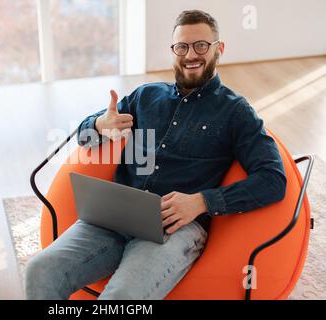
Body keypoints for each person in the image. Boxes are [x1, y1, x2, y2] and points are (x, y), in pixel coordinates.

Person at [25, 9, 286, 300]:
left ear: (219, 49)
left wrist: (201, 202)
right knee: (39, 269)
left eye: (201, 45)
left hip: (176, 228)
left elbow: (273, 180)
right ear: (173, 51)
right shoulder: (145, 96)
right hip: (115, 216)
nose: (191, 55)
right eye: (182, 47)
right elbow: (85, 135)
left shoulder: (236, 112)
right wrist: (99, 124)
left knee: (120, 297)